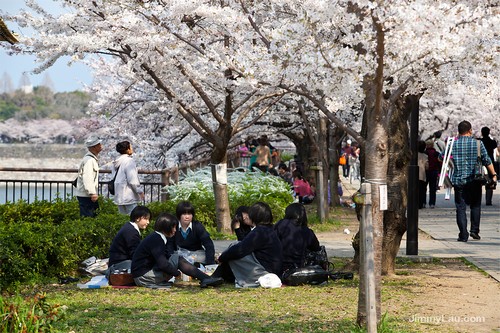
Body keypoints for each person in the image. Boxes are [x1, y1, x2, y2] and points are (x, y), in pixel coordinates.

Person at [131, 212, 224, 289]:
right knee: (177, 258)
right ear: (166, 227)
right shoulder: (156, 239)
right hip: (143, 277)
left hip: (144, 274)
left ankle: (205, 278)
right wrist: (176, 273)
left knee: (176, 257)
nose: (175, 230)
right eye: (174, 227)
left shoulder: (158, 237)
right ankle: (205, 278)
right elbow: (162, 263)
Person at [442, 121, 496, 242]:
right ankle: (474, 231)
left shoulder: (453, 144)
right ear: (470, 130)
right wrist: (494, 174)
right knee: (475, 205)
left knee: (460, 208)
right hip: (475, 179)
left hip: (458, 180)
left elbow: (442, 157)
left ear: (458, 131)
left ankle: (463, 234)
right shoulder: (478, 143)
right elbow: (487, 160)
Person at [212, 202, 283, 288]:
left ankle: (215, 276)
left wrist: (222, 257)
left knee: (234, 248)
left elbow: (240, 250)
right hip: (272, 268)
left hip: (265, 271)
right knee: (233, 249)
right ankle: (217, 276)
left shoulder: (259, 232)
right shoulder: (269, 229)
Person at [274, 203, 321, 273]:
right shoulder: (308, 232)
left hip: (278, 266)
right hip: (298, 268)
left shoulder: (281, 224)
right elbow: (316, 248)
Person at [106, 206, 151, 278]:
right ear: (137, 218)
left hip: (120, 263)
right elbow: (135, 254)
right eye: (146, 219)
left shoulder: (130, 228)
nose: (148, 222)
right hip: (117, 266)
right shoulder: (130, 231)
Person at [112, 141, 145, 215]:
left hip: (119, 195)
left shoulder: (116, 161)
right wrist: (139, 191)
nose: (132, 149)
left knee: (122, 218)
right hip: (129, 195)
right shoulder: (129, 161)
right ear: (127, 149)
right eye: (131, 147)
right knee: (133, 217)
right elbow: (132, 179)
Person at [75, 134, 103, 217]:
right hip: (86, 195)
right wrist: (92, 193)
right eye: (99, 145)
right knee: (89, 217)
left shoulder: (90, 159)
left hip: (86, 194)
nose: (101, 146)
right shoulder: (89, 160)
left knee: (92, 216)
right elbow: (88, 177)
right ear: (94, 147)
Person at [480, 127, 498, 206]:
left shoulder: (479, 141)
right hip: (490, 162)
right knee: (490, 181)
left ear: (481, 133)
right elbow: (495, 146)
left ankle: (477, 199)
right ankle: (488, 200)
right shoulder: (492, 142)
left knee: (479, 181)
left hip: (480, 162)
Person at [425, 140, 440, 208]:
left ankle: (423, 202)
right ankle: (432, 203)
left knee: (423, 188)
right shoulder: (436, 153)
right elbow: (439, 163)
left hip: (426, 172)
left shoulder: (425, 153)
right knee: (433, 188)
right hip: (434, 171)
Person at [417, 140, 429, 209]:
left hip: (413, 176)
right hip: (422, 175)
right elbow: (427, 167)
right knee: (422, 191)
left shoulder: (413, 155)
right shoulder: (425, 156)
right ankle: (421, 204)